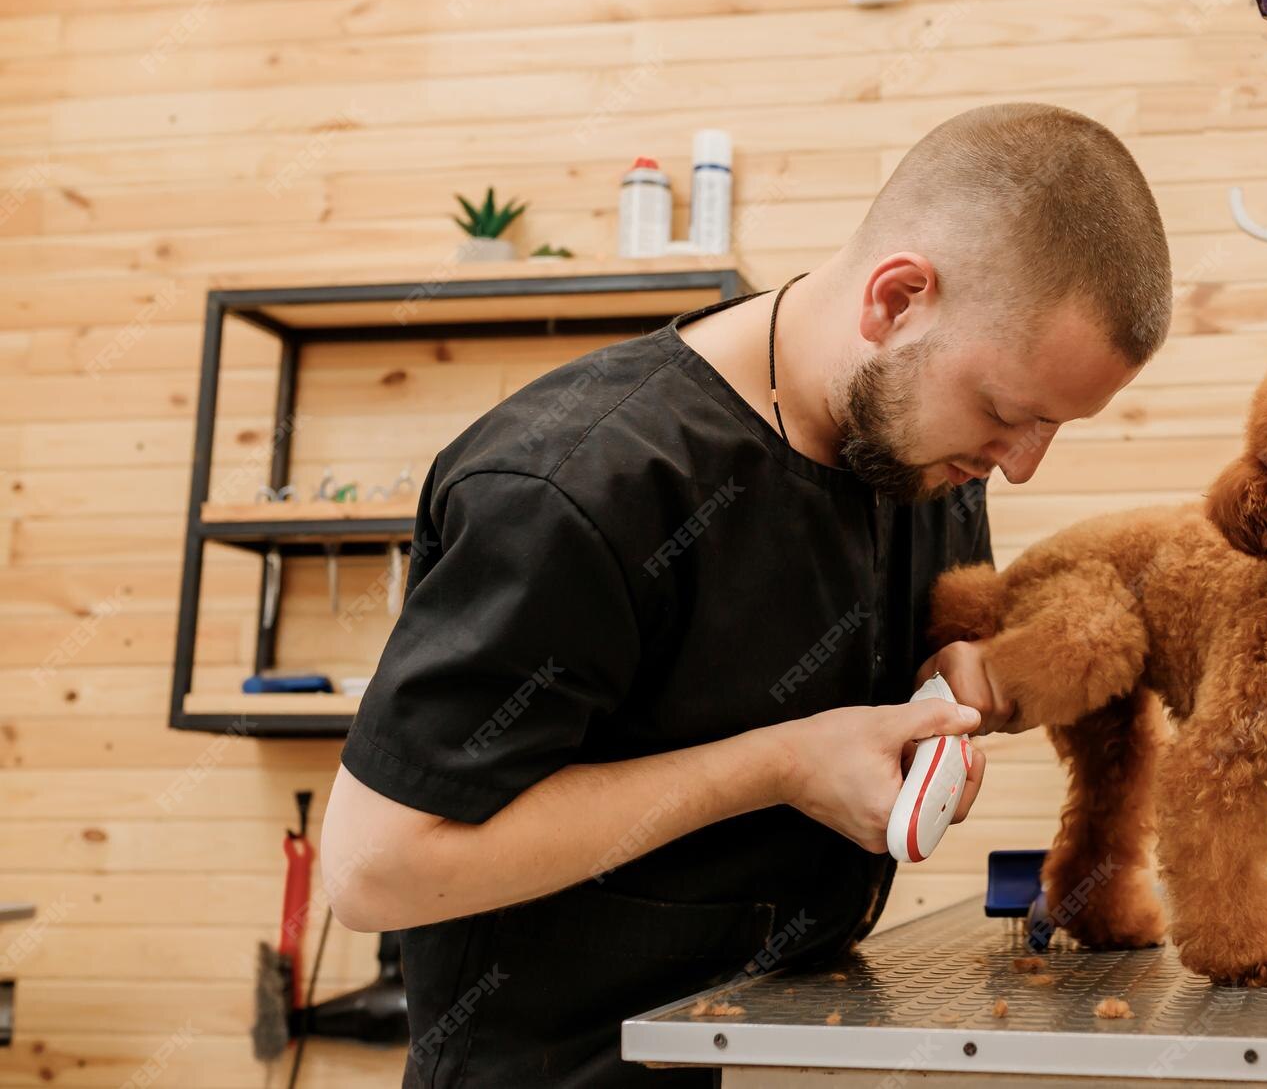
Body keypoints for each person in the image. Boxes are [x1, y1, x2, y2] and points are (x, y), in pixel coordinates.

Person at [319, 102, 1174, 1088]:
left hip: (781, 1048)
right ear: (896, 301)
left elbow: (898, 666)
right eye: (1004, 413)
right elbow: (375, 868)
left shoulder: (919, 457)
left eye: (1052, 428)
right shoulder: (572, 486)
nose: (1019, 467)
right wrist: (778, 767)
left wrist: (955, 682)